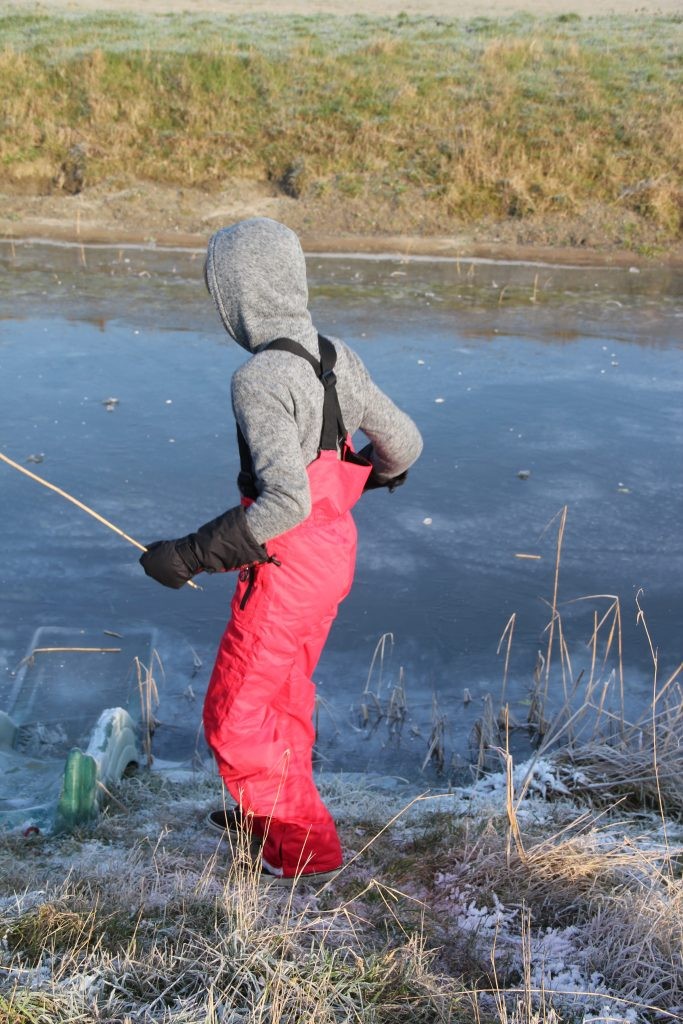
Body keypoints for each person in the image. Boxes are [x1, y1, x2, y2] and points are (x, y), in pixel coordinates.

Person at [140, 218, 422, 882]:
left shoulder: (260, 378)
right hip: (332, 555)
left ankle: (302, 854)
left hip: (289, 565)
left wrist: (184, 556)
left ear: (234, 297)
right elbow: (404, 444)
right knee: (280, 696)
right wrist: (359, 475)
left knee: (235, 717)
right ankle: (265, 814)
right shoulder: (334, 355)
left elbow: (284, 505)